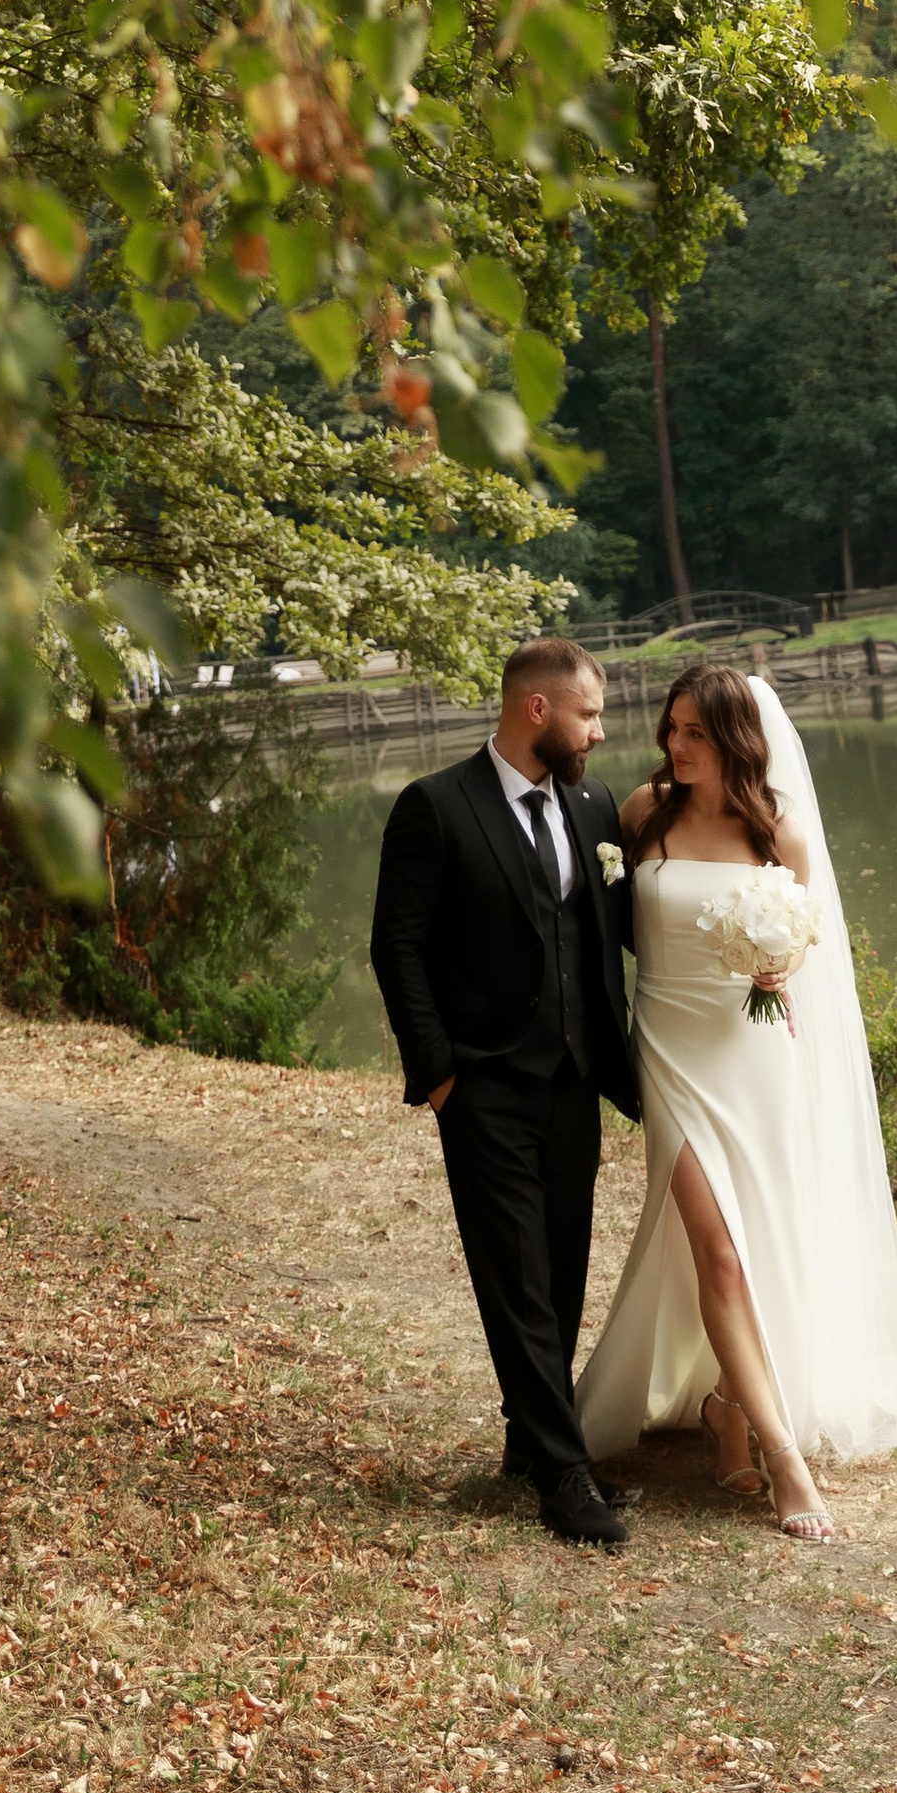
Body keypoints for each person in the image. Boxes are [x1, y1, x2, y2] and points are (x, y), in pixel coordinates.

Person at [574, 661, 897, 1534]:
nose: (676, 744)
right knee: (720, 1253)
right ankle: (784, 1457)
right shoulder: (643, 813)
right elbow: (602, 926)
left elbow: (804, 938)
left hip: (754, 1053)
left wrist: (779, 964)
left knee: (756, 1245)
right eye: (672, 727)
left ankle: (727, 1406)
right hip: (670, 1050)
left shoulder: (780, 832)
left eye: (695, 732)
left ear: (736, 740)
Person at [369, 635, 641, 1549]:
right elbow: (397, 946)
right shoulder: (436, 806)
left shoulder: (593, 804)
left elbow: (612, 928)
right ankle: (565, 1475)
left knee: (560, 1268)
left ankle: (531, 1442)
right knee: (515, 1277)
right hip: (483, 1084)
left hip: (575, 1080)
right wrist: (440, 1074)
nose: (598, 733)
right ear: (538, 710)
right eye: (588, 714)